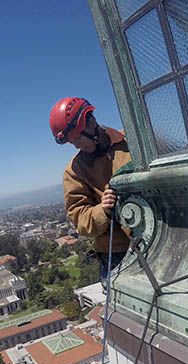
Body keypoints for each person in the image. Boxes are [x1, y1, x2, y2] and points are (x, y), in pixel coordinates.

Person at [49, 97, 131, 285]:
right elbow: (80, 220)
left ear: (92, 123)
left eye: (77, 137)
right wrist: (103, 210)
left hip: (160, 237)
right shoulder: (75, 170)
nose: (76, 145)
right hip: (116, 254)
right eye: (71, 142)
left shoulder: (132, 141)